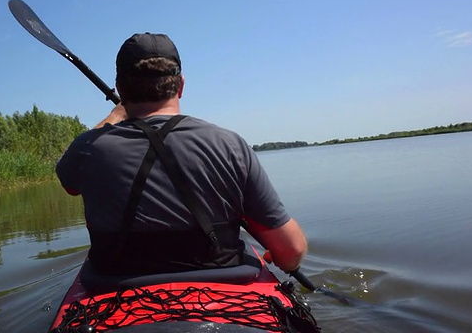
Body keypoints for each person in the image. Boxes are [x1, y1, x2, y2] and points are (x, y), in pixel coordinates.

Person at [56, 32, 307, 276]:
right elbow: (291, 251)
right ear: (181, 85)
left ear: (121, 89)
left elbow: (71, 186)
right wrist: (286, 259)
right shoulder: (230, 145)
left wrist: (115, 116)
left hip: (113, 289)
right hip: (225, 291)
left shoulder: (87, 147)